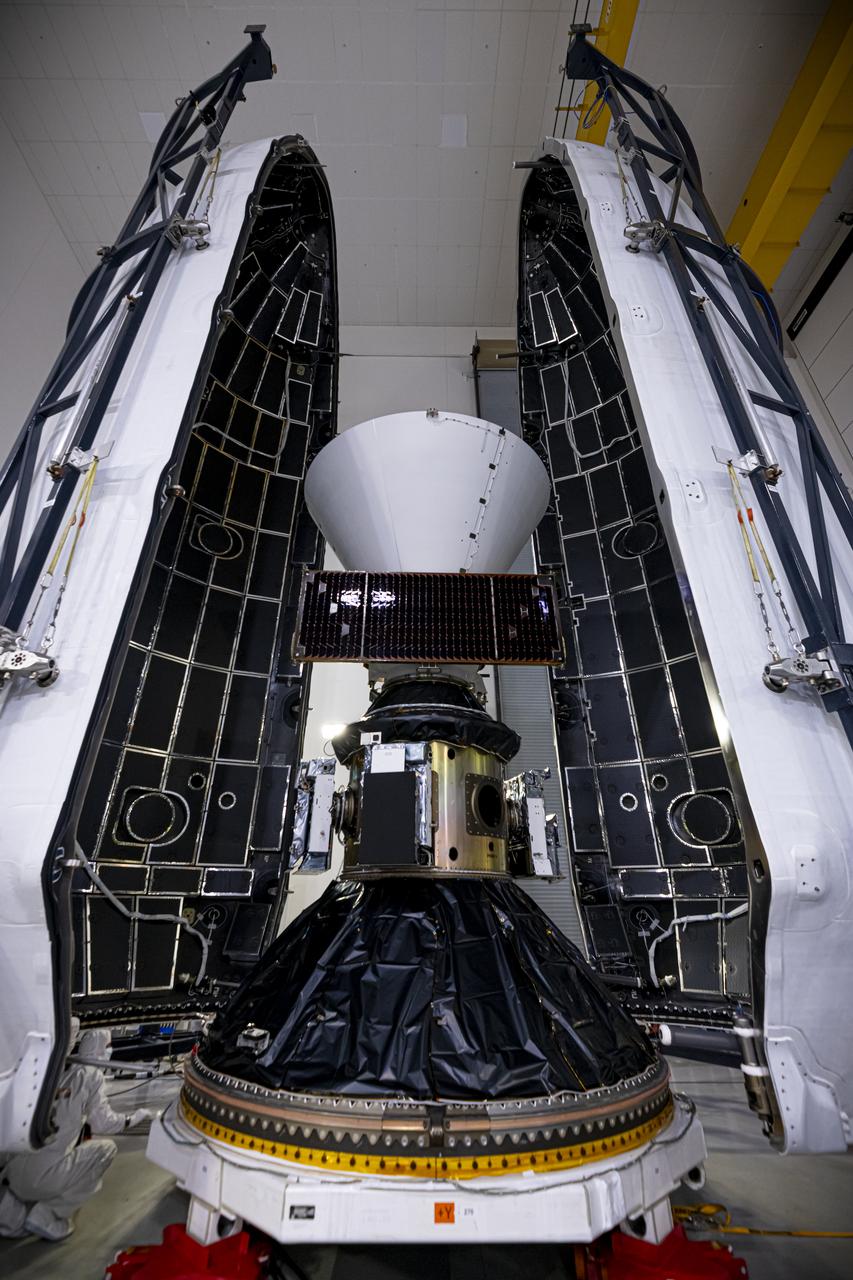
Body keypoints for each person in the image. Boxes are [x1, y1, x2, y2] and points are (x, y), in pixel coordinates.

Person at [0, 1021, 154, 1242]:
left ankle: (12, 1215)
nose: (110, 1051)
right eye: (108, 1046)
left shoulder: (48, 1070)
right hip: (42, 1179)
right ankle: (48, 1215)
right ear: (102, 1049)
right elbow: (104, 1124)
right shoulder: (91, 1076)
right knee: (105, 1150)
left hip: (12, 1175)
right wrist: (134, 1118)